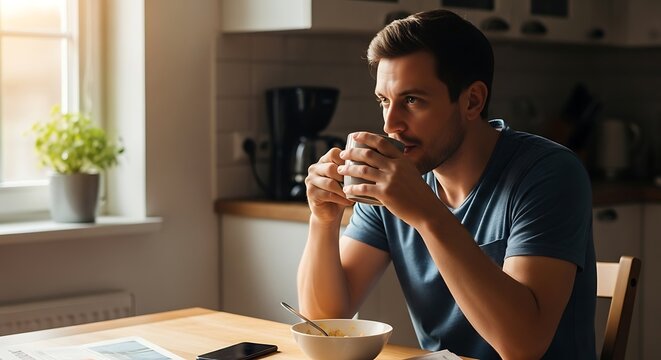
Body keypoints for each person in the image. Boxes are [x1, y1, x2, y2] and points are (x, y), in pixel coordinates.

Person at [298, 9, 596, 360]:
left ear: (472, 101)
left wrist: (426, 213)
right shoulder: (395, 180)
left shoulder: (548, 173)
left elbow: (523, 346)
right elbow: (325, 322)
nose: (391, 124)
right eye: (384, 101)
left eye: (412, 100)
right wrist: (324, 218)